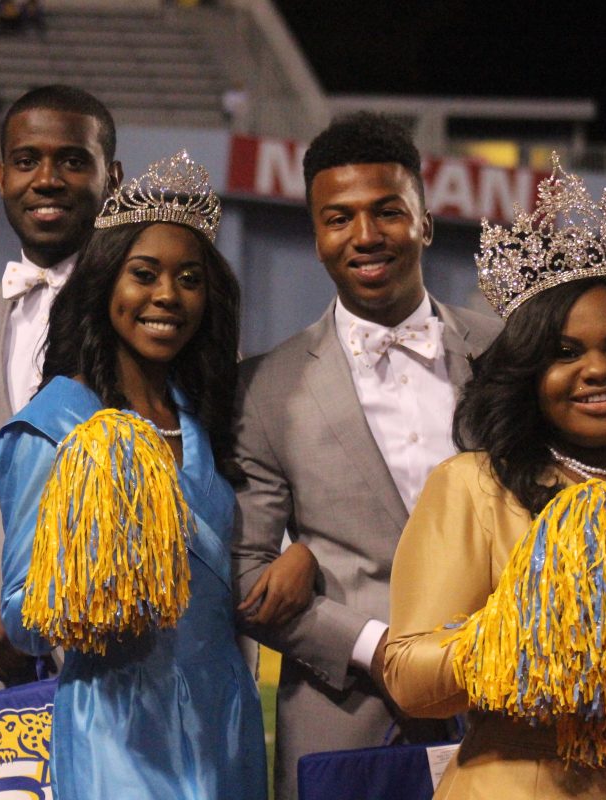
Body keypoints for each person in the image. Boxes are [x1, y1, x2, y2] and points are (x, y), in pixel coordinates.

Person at [384, 158, 606, 797]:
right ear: (528, 372)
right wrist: (517, 639)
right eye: (564, 352)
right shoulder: (476, 487)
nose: (597, 369)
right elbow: (409, 678)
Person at [230, 112, 501, 800]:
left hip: (507, 694)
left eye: (388, 212)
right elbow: (248, 577)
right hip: (344, 707)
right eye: (339, 218)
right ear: (316, 237)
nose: (366, 236)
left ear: (426, 222)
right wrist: (378, 650)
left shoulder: (508, 353)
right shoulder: (265, 386)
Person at [0, 151, 267, 799]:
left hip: (223, 718)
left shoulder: (211, 417)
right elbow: (19, 617)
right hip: (118, 728)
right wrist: (95, 582)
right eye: (144, 275)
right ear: (103, 286)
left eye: (189, 279)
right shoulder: (55, 424)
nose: (167, 296)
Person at [0, 84, 121, 692]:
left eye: (72, 160)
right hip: (5, 663)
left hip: (129, 654)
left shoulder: (151, 307)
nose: (47, 178)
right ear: (0, 176)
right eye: (27, 160)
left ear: (111, 177)